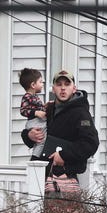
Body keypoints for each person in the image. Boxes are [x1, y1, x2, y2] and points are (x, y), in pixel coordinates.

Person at [21, 70, 99, 204]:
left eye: (67, 84)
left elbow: (90, 143)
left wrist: (63, 155)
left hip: (66, 180)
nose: (63, 88)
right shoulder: (49, 109)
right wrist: (29, 135)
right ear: (53, 88)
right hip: (41, 177)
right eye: (59, 84)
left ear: (74, 88)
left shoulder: (81, 114)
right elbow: (31, 131)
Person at [18, 68, 48, 159]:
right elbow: (23, 110)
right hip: (34, 122)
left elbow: (38, 107)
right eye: (40, 82)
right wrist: (36, 113)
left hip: (37, 121)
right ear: (33, 85)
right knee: (42, 140)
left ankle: (36, 157)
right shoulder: (27, 96)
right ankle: (35, 158)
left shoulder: (34, 96)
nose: (42, 84)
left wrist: (44, 107)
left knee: (42, 140)